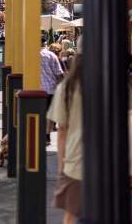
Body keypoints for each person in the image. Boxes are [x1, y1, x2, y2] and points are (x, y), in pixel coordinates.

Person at [47, 46, 84, 223]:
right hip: (112, 162)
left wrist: (61, 167)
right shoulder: (119, 83)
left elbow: (62, 131)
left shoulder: (68, 87)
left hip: (76, 158)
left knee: (71, 212)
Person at [41, 37, 65, 145]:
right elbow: (59, 74)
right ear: (45, 43)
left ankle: (38, 134)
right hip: (51, 90)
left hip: (36, 89)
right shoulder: (51, 56)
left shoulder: (28, 54)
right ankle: (46, 136)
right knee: (49, 115)